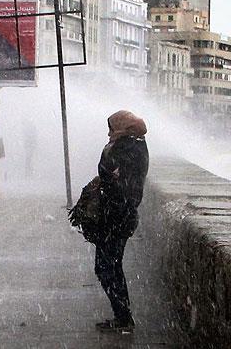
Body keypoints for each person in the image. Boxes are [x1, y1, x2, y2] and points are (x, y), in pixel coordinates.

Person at [94, 110, 149, 332]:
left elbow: (112, 176)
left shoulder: (127, 148)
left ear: (122, 127)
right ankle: (122, 315)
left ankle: (123, 317)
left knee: (107, 267)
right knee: (110, 266)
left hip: (117, 216)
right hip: (121, 216)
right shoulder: (136, 145)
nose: (109, 133)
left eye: (111, 128)